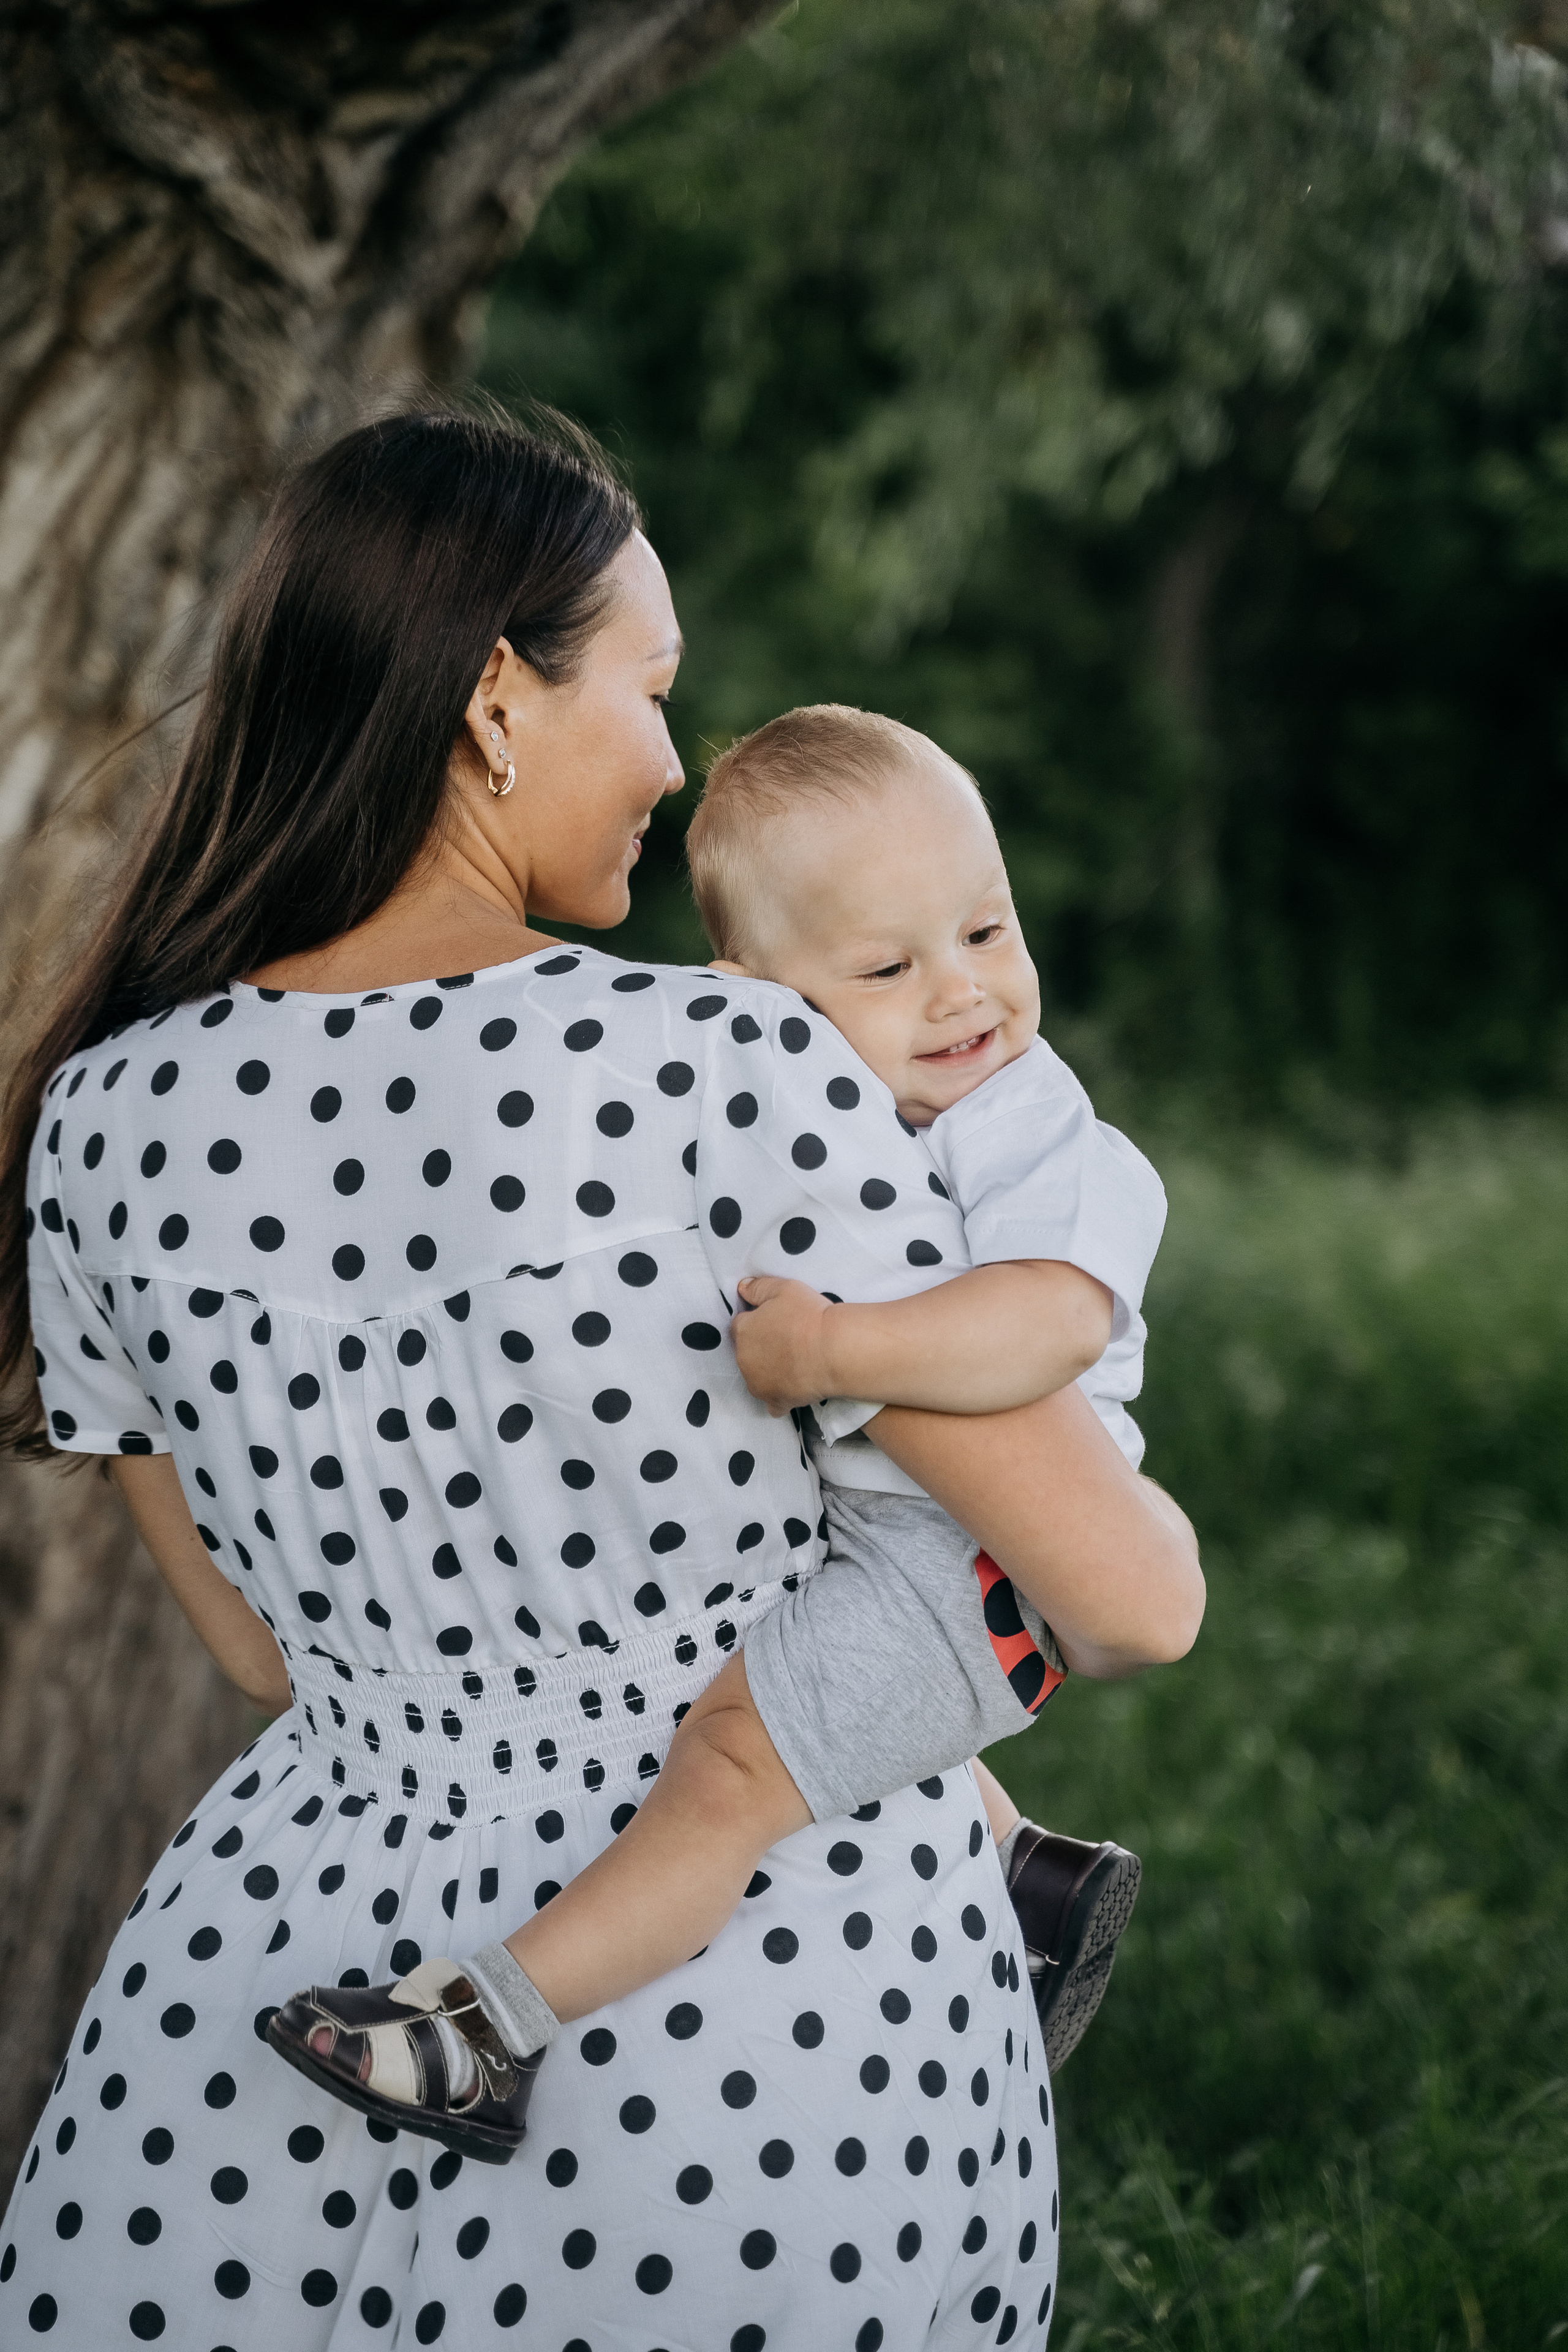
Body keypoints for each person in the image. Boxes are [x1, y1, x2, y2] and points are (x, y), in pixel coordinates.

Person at [0, 407, 1202, 2348]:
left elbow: (253, 1648)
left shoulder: (105, 1118)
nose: (668, 757)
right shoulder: (726, 1060)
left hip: (278, 1985)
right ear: (497, 699)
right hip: (762, 2025)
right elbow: (1128, 1598)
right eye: (649, 689)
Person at [270, 702, 1172, 2160]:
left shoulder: (1029, 1124)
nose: (962, 993)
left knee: (731, 1774)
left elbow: (1049, 1324)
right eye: (886, 967)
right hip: (888, 1533)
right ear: (758, 1002)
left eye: (985, 931)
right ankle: (1024, 1877)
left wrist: (835, 1350)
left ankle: (484, 2033)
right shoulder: (805, 1099)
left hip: (969, 1562)